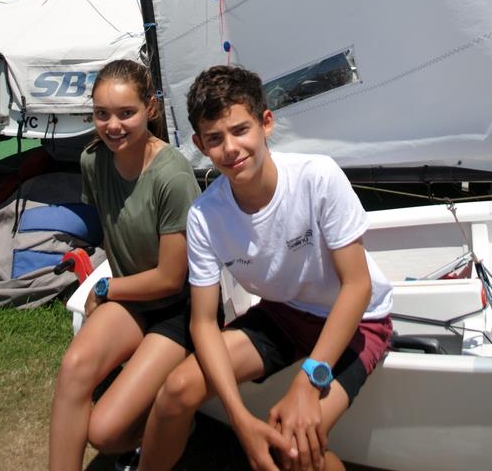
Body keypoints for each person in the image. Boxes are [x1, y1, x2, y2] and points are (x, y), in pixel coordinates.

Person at [139, 65, 393, 471]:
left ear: (266, 123)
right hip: (285, 313)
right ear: (199, 145)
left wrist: (309, 378)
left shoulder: (317, 177)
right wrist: (239, 418)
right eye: (215, 139)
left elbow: (357, 287)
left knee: (294, 448)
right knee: (175, 392)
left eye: (241, 130)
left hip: (358, 323)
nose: (230, 148)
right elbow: (203, 322)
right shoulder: (205, 216)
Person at [48, 59, 200, 471]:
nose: (113, 125)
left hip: (176, 310)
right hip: (131, 297)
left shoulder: (173, 175)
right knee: (75, 367)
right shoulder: (92, 162)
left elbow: (171, 279)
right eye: (102, 114)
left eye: (126, 113)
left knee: (105, 433)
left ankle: (176, 425)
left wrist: (104, 291)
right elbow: (113, 234)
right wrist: (112, 292)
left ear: (150, 108)